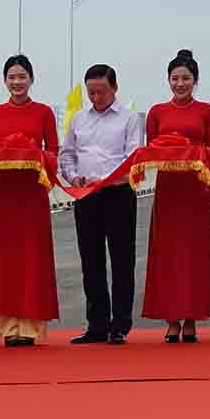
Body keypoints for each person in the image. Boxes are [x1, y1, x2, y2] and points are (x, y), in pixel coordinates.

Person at [0, 55, 61, 346]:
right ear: (4, 81)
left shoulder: (44, 112)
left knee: (32, 255)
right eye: (11, 77)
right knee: (5, 257)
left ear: (31, 79)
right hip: (5, 193)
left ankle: (31, 326)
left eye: (22, 76)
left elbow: (53, 151)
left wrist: (33, 155)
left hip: (33, 192)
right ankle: (8, 326)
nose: (17, 82)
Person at [141, 50, 210, 343]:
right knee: (168, 254)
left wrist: (191, 151)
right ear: (168, 80)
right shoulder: (157, 112)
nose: (180, 83)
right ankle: (172, 319)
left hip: (196, 190)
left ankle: (192, 318)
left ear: (195, 80)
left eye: (186, 78)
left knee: (194, 255)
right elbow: (152, 150)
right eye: (175, 78)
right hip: (168, 191)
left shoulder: (206, 112)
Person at [59, 62, 141, 344]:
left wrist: (106, 179)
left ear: (114, 88)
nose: (96, 97)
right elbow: (67, 154)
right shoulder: (79, 119)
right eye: (91, 92)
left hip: (118, 194)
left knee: (122, 260)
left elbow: (133, 157)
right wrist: (73, 176)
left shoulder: (129, 119)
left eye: (102, 92)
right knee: (90, 261)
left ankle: (120, 325)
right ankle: (97, 324)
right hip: (86, 196)